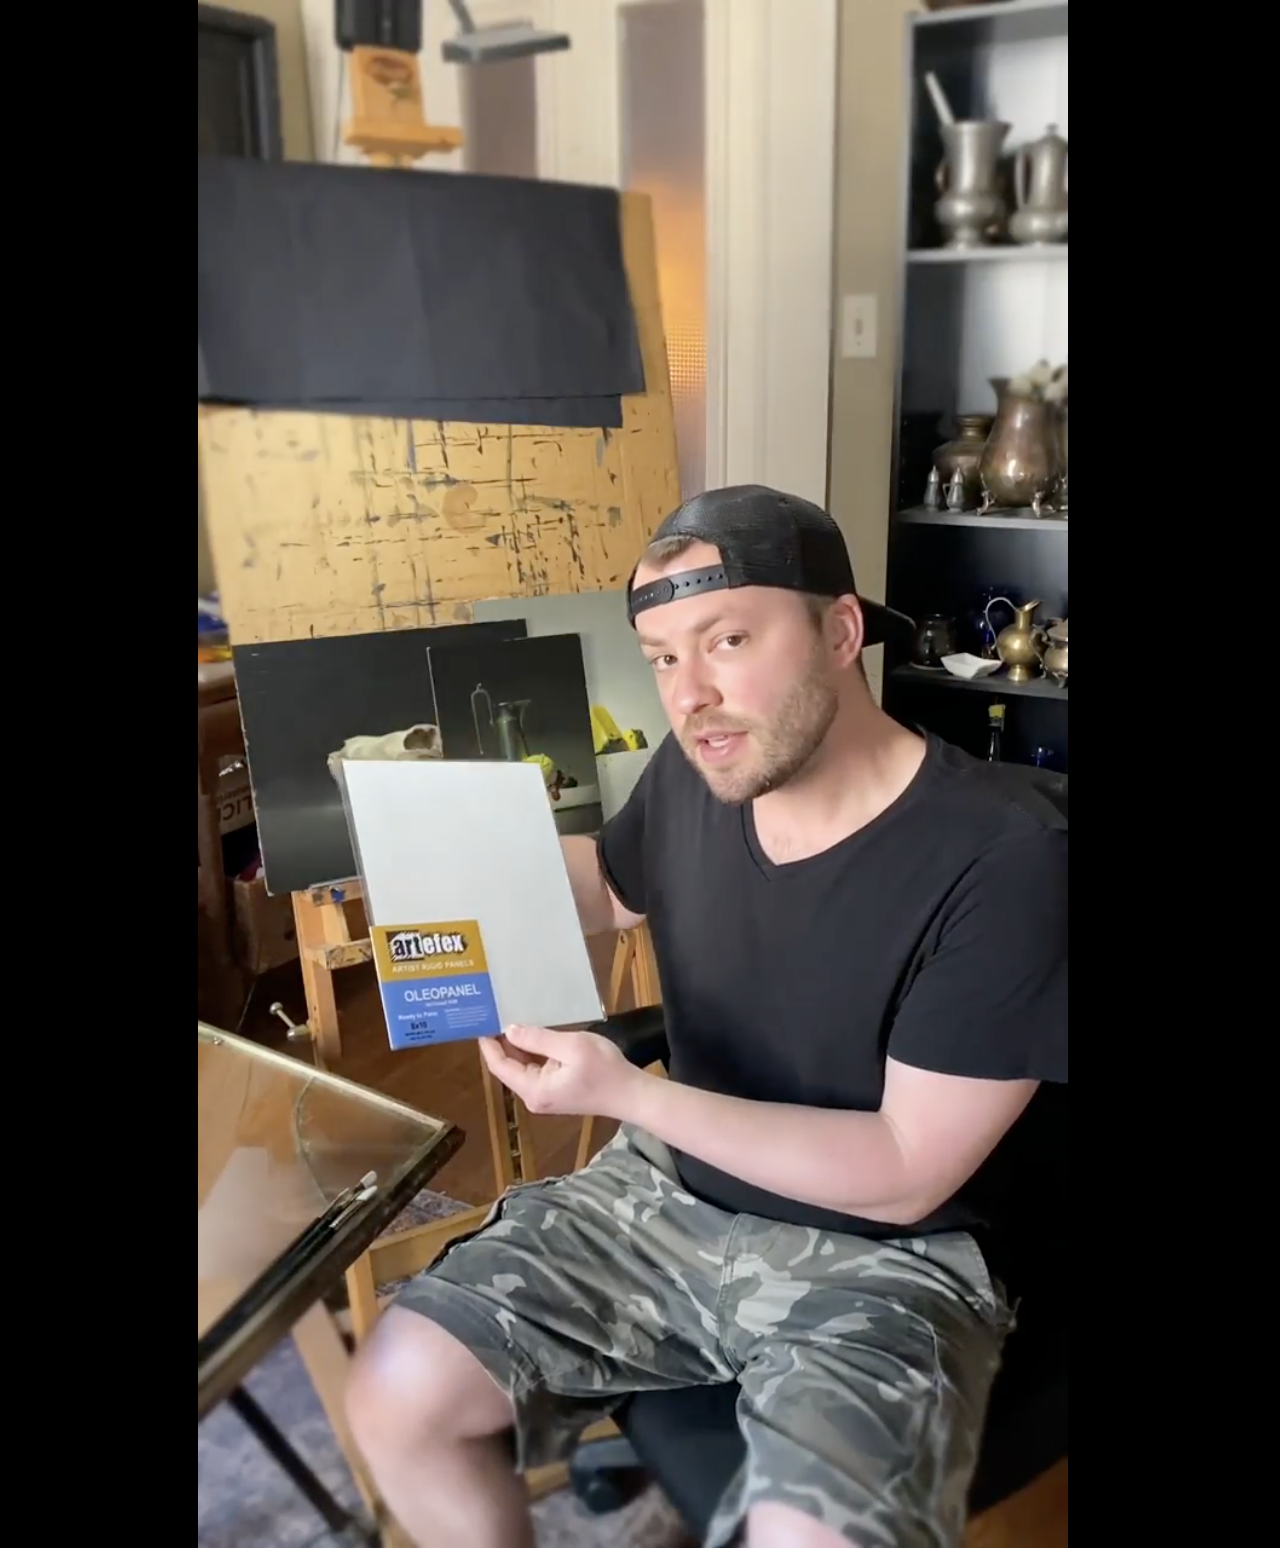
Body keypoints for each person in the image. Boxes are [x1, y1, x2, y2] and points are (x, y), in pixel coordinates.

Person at [345, 485, 1068, 1548]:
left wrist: (629, 1096)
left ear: (839, 632)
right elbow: (608, 886)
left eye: (727, 640)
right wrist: (436, 856)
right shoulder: (701, 772)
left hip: (890, 1259)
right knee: (396, 1392)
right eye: (662, 657)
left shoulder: (1007, 860)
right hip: (668, 1197)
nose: (690, 695)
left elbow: (906, 1167)